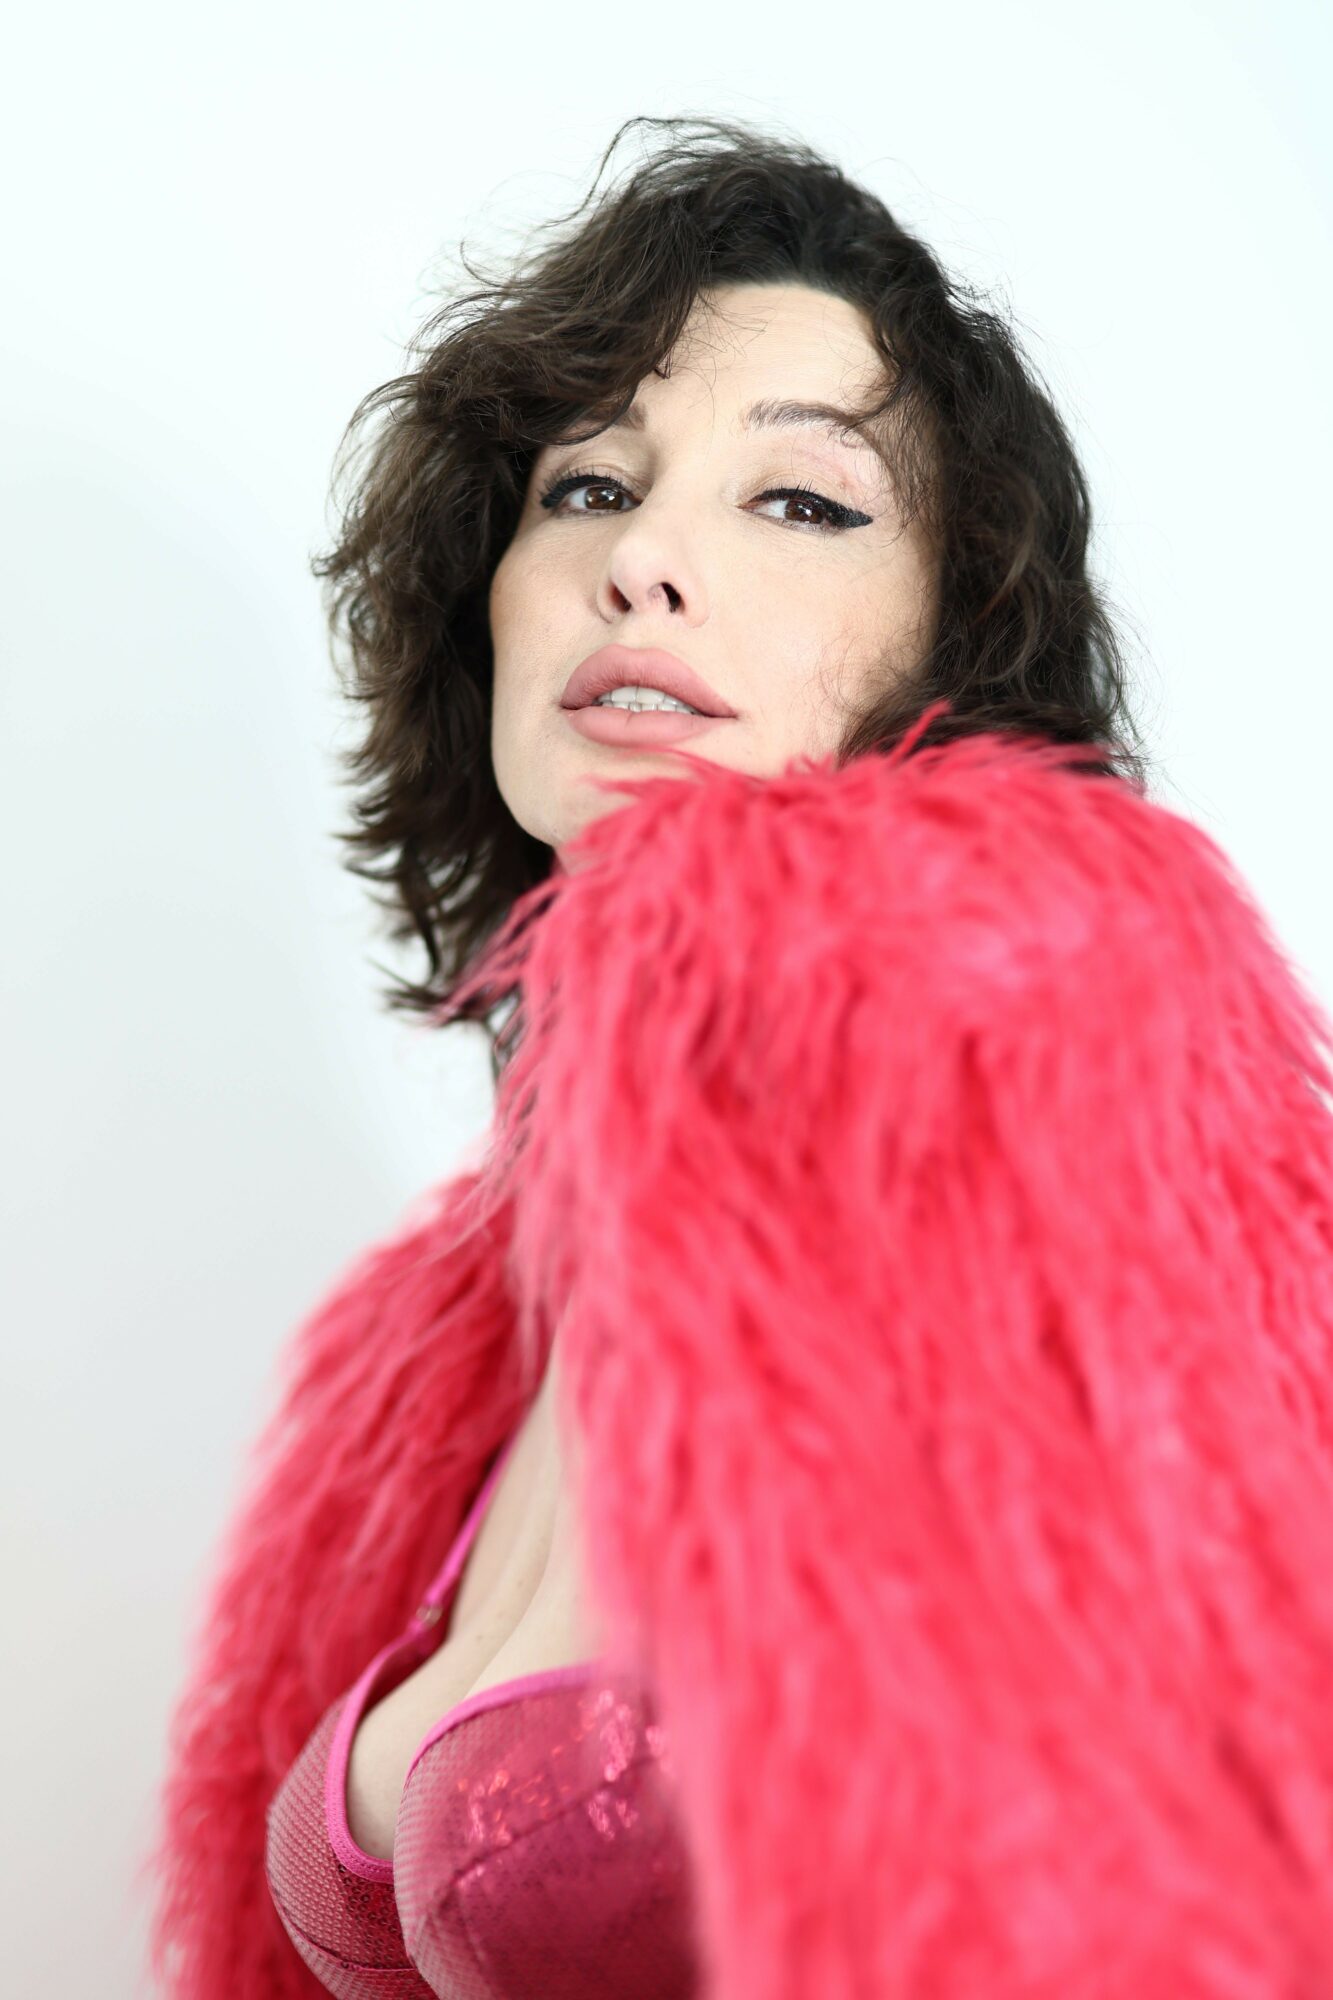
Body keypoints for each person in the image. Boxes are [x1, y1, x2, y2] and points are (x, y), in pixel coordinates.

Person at [143, 116, 1333, 2000]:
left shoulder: (1018, 1058)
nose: (646, 566)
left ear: (945, 643)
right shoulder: (477, 1313)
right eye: (587, 486)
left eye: (801, 502)